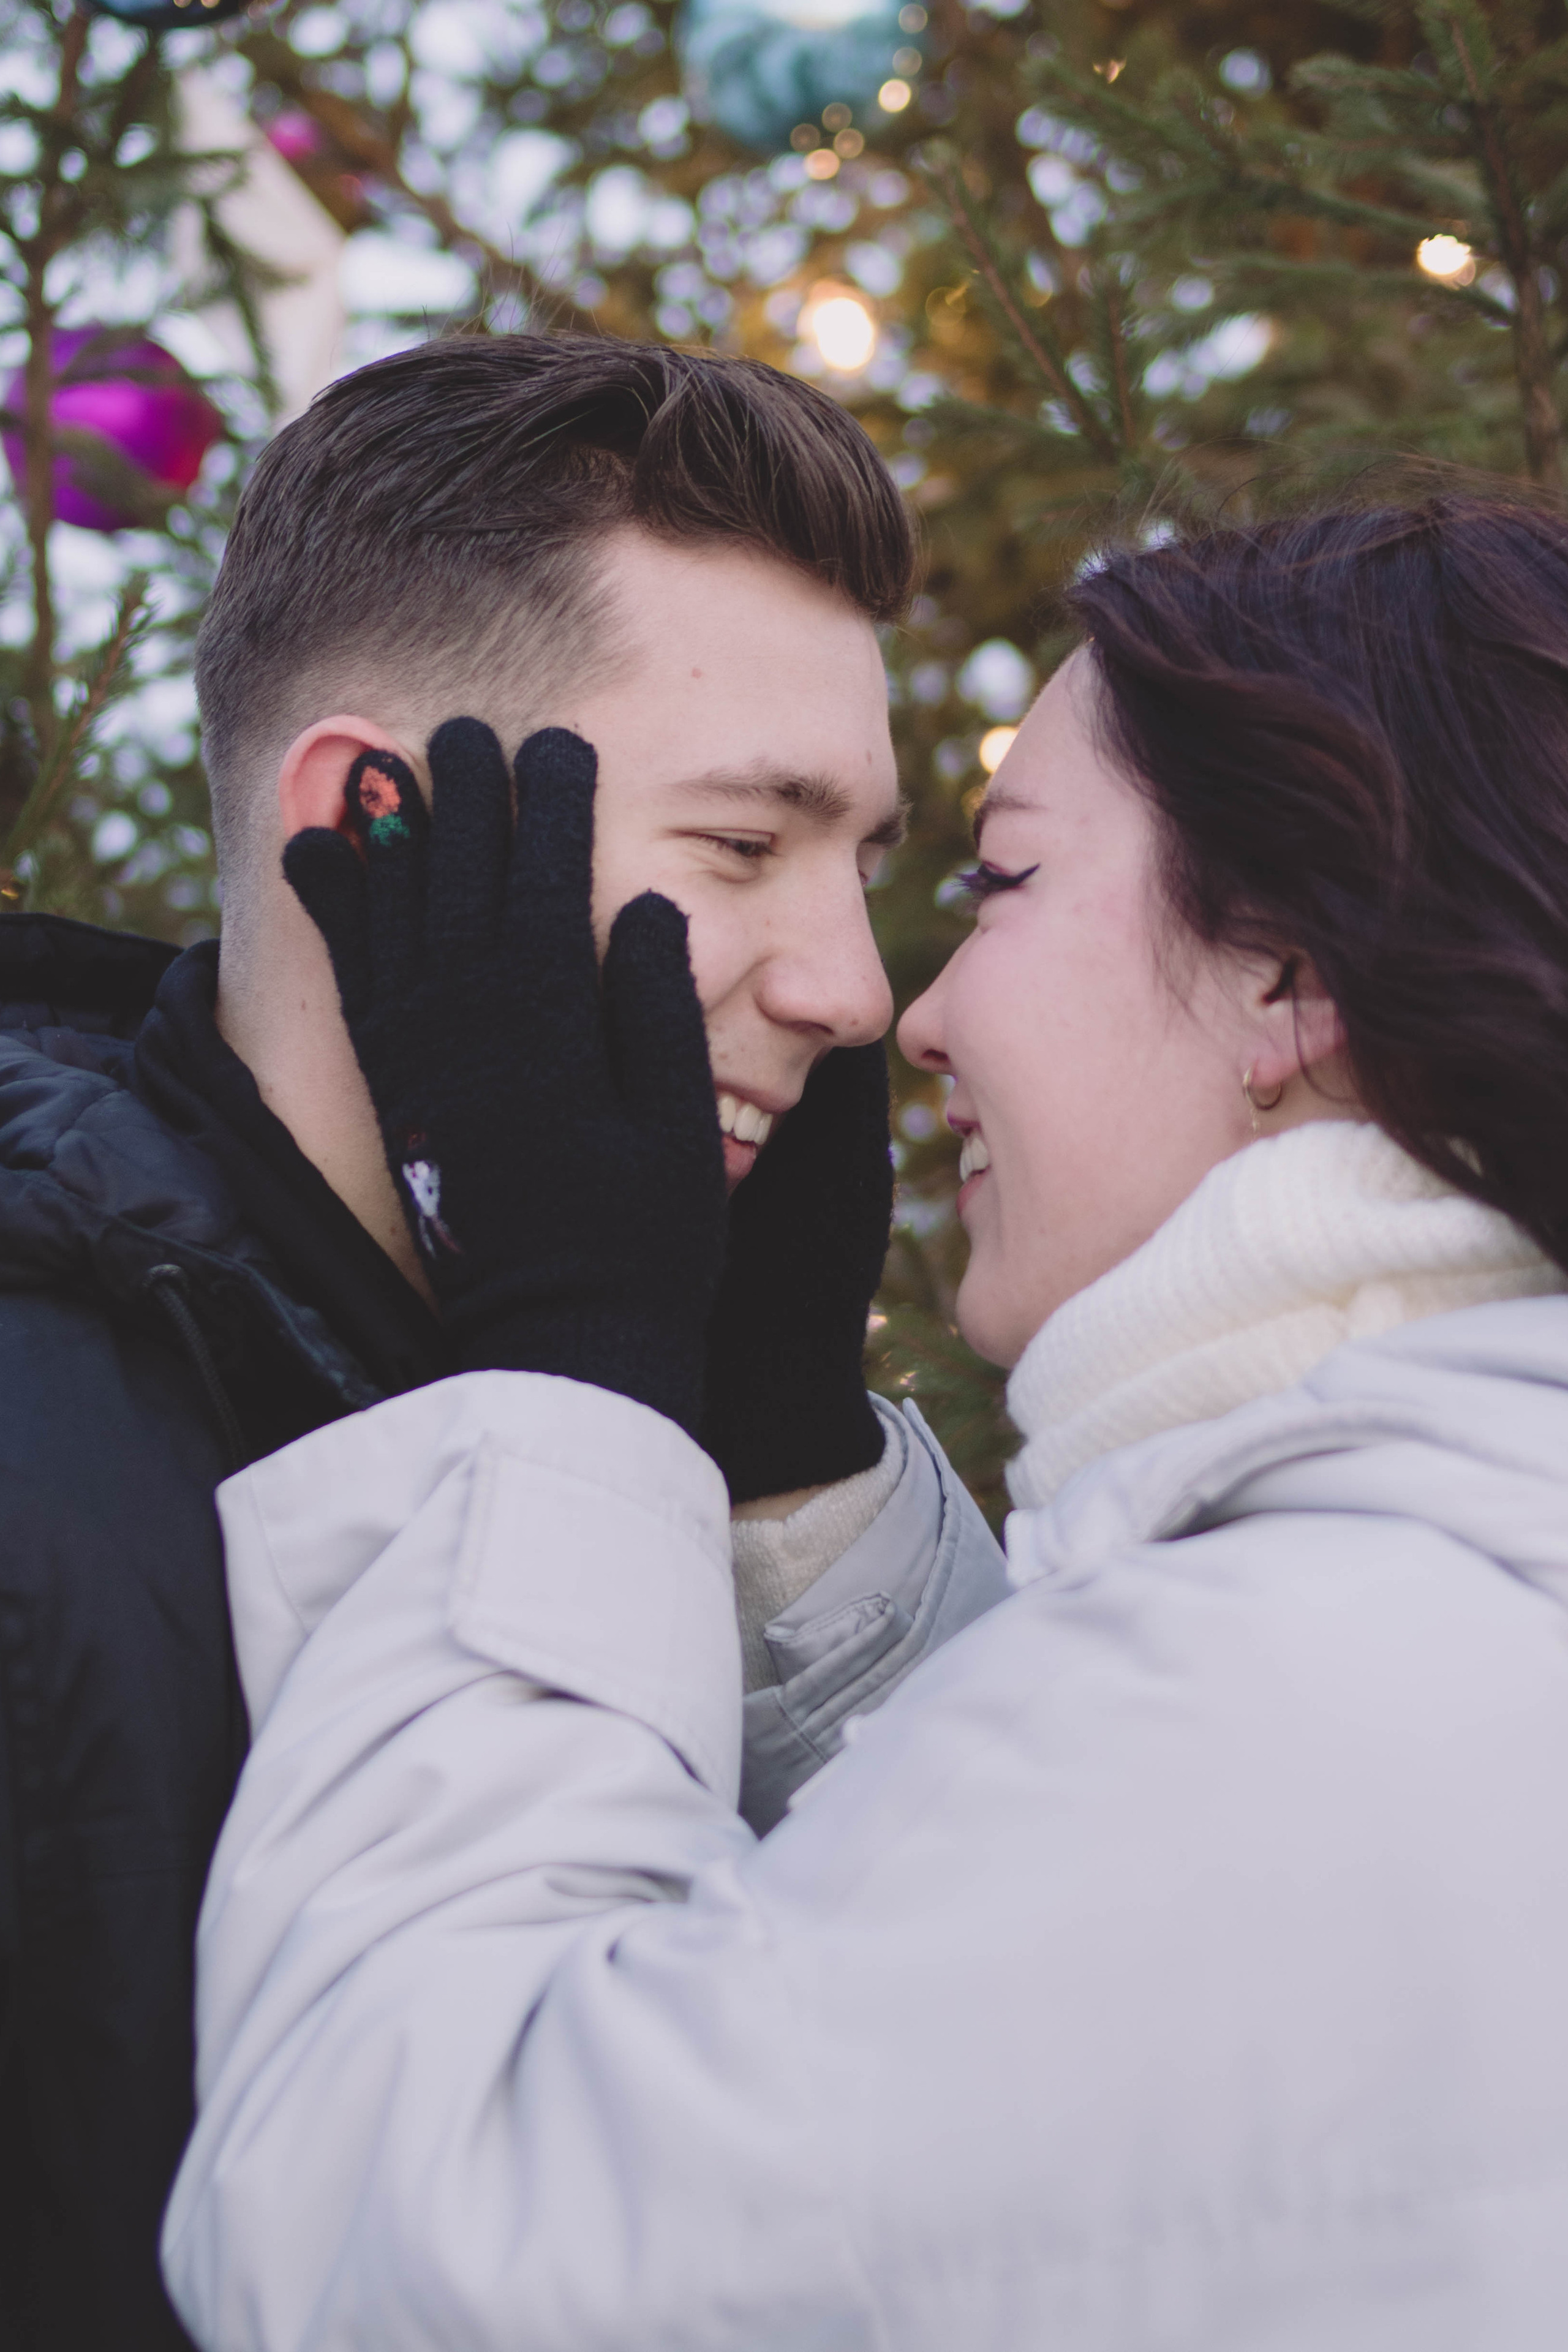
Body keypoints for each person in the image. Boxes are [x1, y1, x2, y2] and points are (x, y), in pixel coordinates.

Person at [167, 494, 1568, 2348]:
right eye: (746, 848)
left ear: (1290, 973)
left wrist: (567, 1387)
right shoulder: (1436, 1589)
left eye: (1000, 884)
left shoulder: (1301, 1691)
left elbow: (407, 2242)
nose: (889, 1006)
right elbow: (926, 2027)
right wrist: (790, 1475)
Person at [0, 333, 1005, 2351]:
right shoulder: (44, 1482)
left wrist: (785, 1476)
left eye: (867, 864)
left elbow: (980, 2096)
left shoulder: (667, 1387)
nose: (850, 989)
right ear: (375, 826)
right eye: (744, 846)